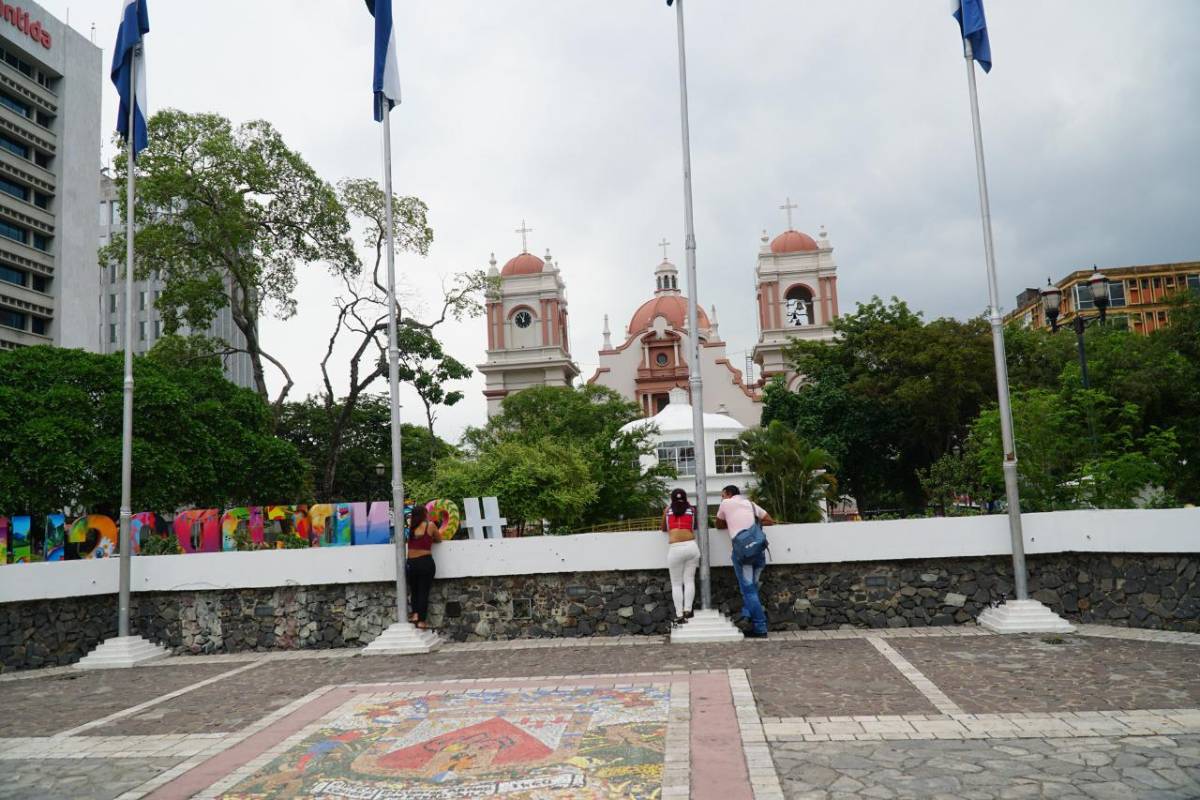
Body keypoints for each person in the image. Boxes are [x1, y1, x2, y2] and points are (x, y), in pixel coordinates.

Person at [715, 485, 776, 639]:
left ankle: (760, 627)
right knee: (752, 589)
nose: (722, 498)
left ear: (728, 494)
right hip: (759, 552)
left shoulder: (726, 503)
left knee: (748, 591)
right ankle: (747, 616)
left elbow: (718, 524)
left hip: (744, 554)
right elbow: (769, 520)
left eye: (722, 495)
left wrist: (733, 523)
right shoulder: (750, 504)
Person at [661, 488, 701, 626]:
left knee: (676, 584)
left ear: (672, 498)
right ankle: (688, 610)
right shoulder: (692, 509)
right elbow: (693, 526)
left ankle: (679, 615)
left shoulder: (668, 510)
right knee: (689, 580)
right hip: (691, 546)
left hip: (675, 548)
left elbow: (664, 528)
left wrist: (665, 514)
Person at [406, 503, 443, 630]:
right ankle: (421, 620)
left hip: (411, 563)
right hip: (425, 562)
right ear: (424, 514)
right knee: (423, 591)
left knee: (414, 590)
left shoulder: (410, 528)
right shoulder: (430, 525)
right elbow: (439, 539)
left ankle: (415, 614)